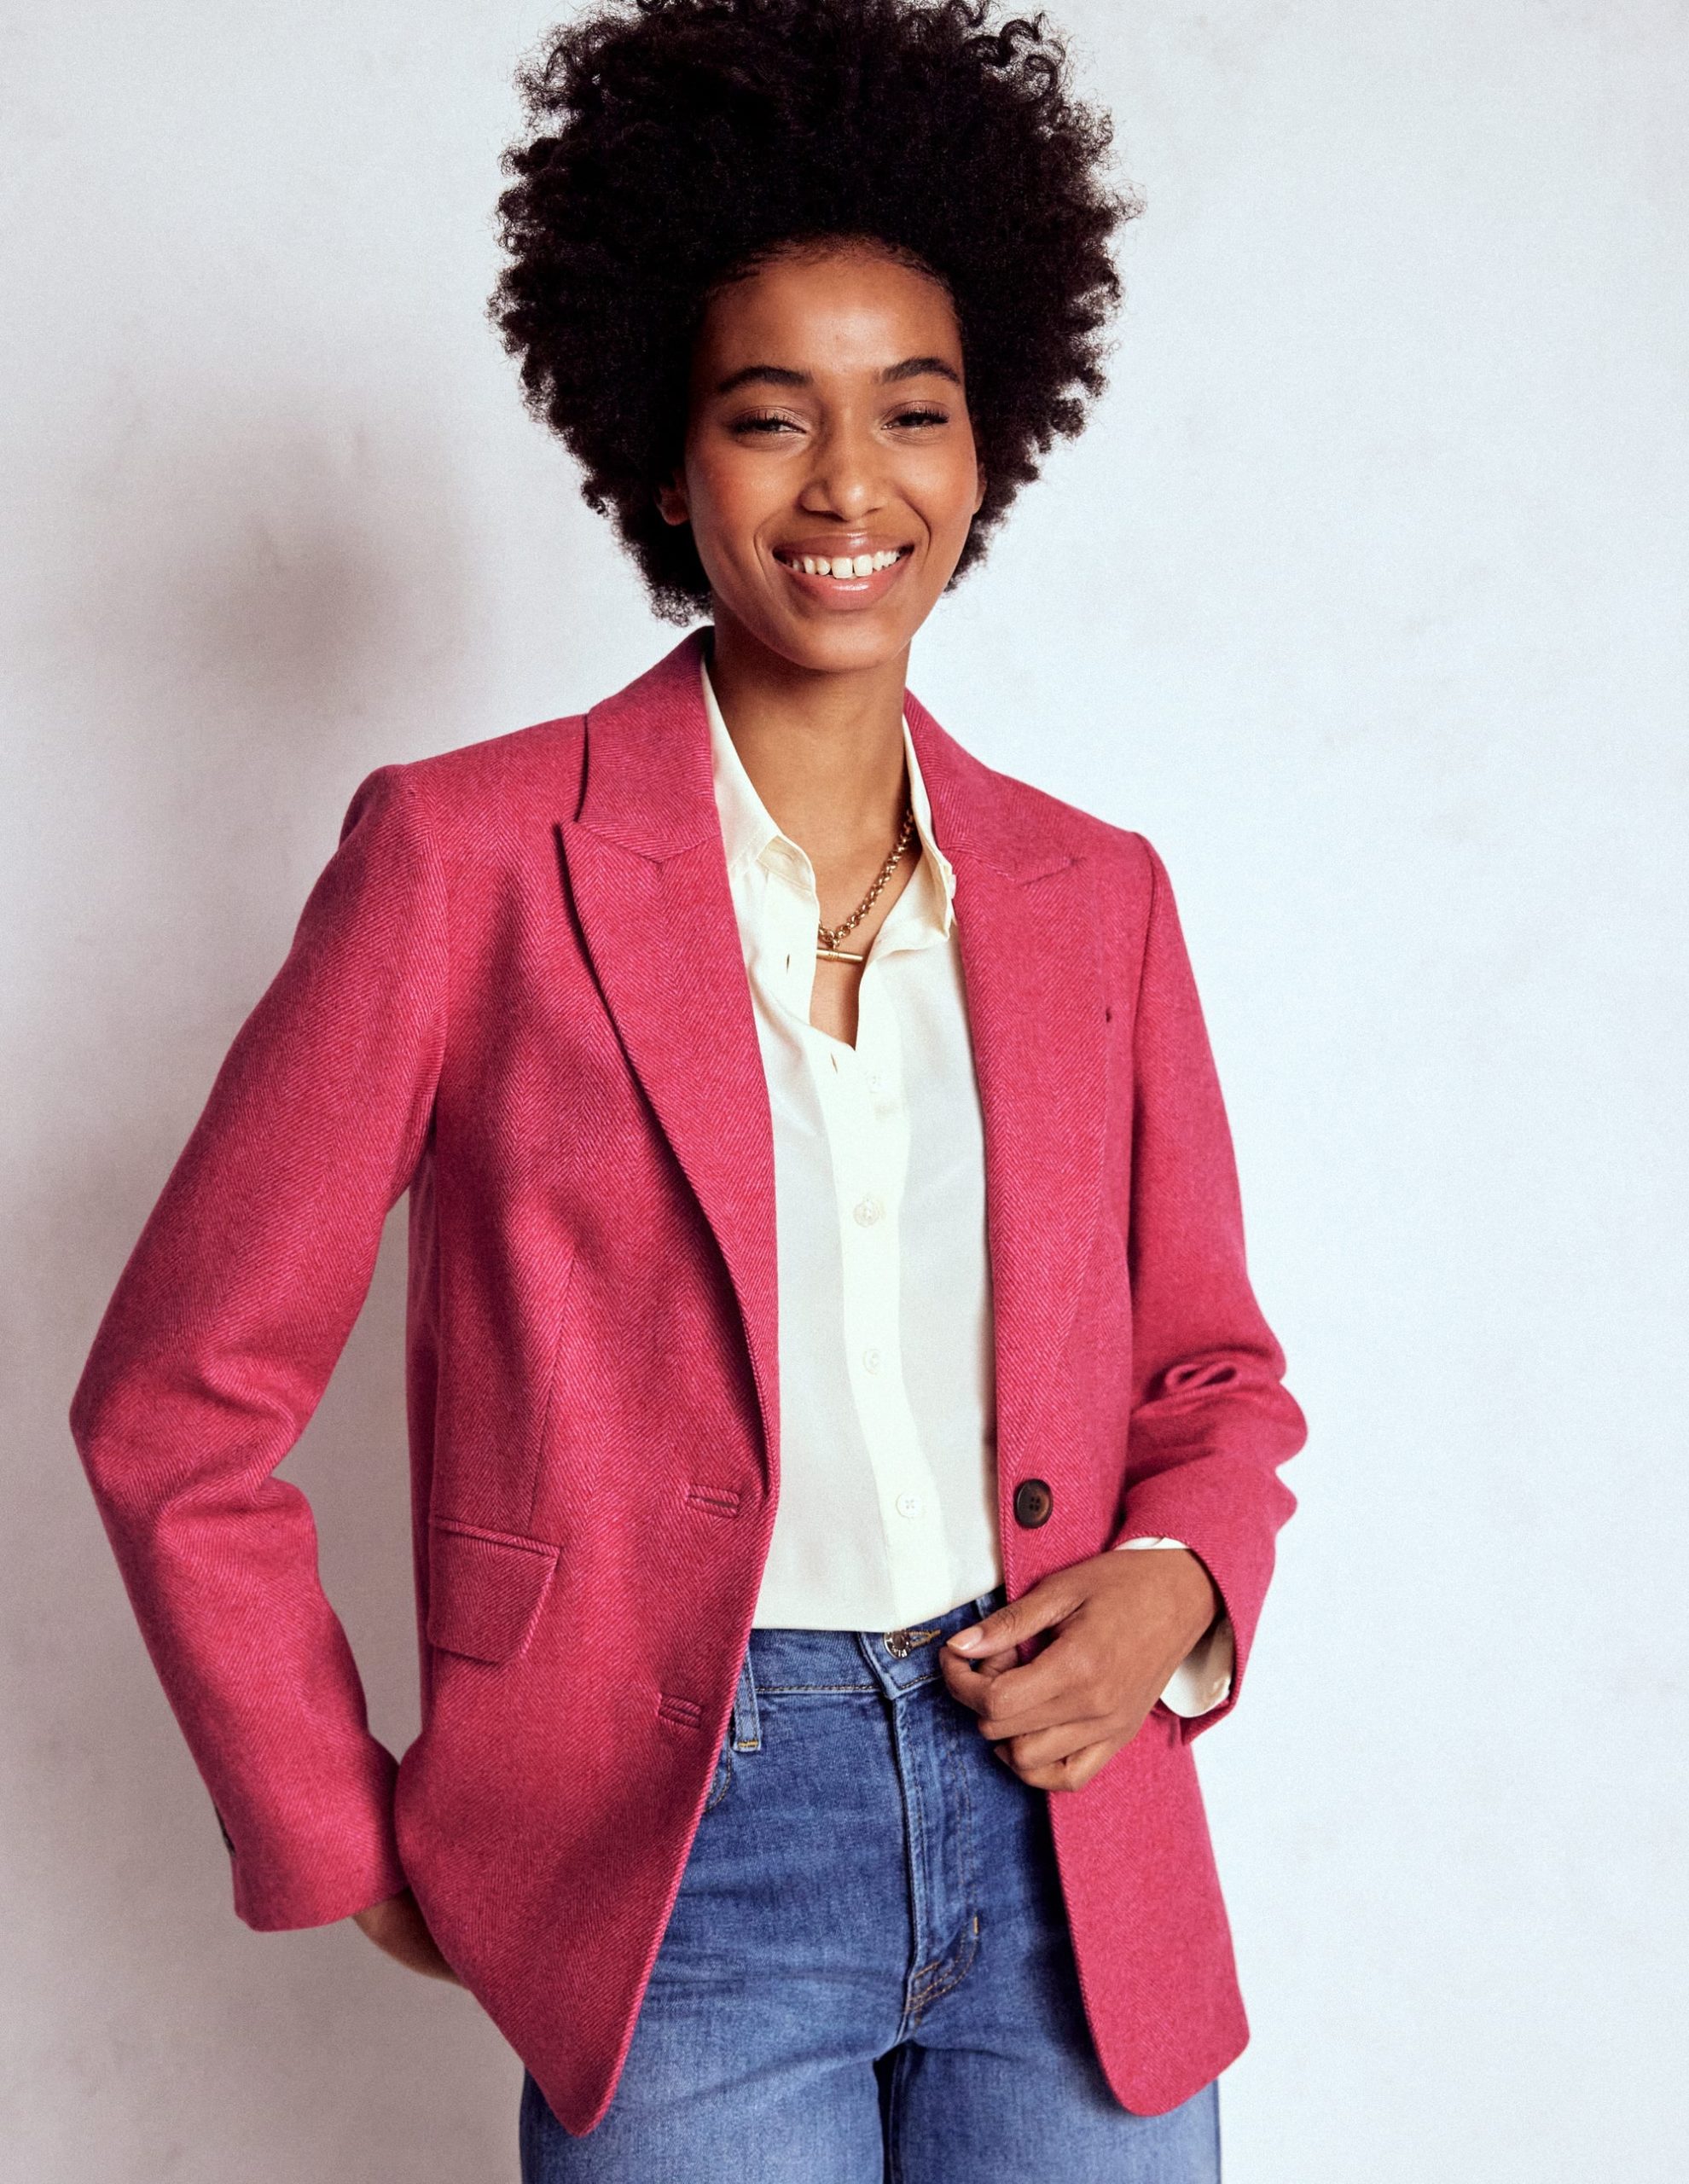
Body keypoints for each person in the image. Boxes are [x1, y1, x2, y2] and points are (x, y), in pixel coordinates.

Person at [68, 1, 1306, 2175]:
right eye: (768, 417)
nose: (849, 484)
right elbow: (181, 1394)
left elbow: (1214, 1372)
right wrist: (331, 1817)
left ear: (987, 450)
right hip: (681, 1856)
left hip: (1074, 1836)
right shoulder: (464, 859)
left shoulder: (1093, 895)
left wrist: (1181, 1583)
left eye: (911, 411)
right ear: (662, 457)